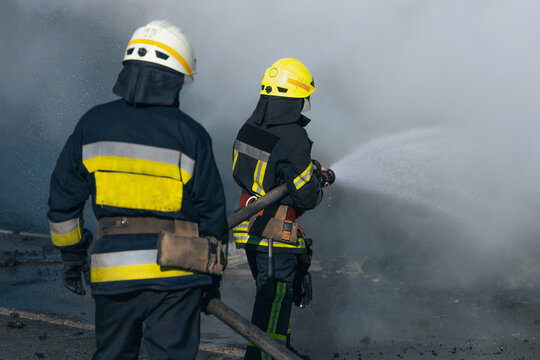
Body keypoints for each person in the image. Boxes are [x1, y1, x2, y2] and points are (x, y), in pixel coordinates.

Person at [47, 20, 228, 360]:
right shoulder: (190, 134)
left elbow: (63, 199)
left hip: (114, 271)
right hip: (179, 274)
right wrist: (211, 279)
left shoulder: (92, 124)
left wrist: (71, 256)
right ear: (175, 80)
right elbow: (212, 214)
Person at [231, 58, 334, 359]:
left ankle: (278, 351)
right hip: (276, 235)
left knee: (269, 299)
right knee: (273, 302)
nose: (304, 103)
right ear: (293, 99)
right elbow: (306, 197)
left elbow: (259, 170)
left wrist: (304, 172)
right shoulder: (294, 136)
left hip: (249, 229)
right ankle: (267, 355)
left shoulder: (250, 126)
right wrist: (318, 180)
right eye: (303, 98)